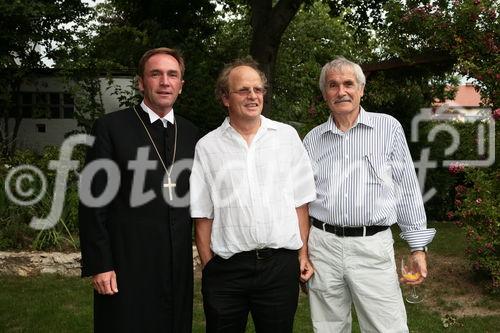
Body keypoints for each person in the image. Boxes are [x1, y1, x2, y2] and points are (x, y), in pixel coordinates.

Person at [303, 57, 436, 333]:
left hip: (372, 246)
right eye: (333, 85)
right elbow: (301, 201)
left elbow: (407, 188)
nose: (341, 91)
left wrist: (417, 248)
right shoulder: (311, 139)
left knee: (387, 328)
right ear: (324, 93)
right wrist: (302, 252)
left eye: (349, 84)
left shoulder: (388, 128)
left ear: (361, 89)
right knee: (328, 328)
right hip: (323, 246)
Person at [189, 58, 316, 333]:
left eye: (258, 89)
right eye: (243, 90)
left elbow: (300, 204)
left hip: (279, 267)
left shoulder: (287, 137)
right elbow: (202, 214)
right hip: (227, 270)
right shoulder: (207, 147)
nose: (253, 96)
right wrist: (210, 268)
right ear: (225, 97)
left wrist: (302, 255)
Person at [79, 47, 199, 332]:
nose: (165, 82)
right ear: (141, 82)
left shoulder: (192, 133)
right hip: (126, 263)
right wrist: (100, 263)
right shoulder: (111, 127)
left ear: (181, 85)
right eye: (155, 74)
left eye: (173, 75)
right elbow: (92, 201)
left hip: (175, 265)